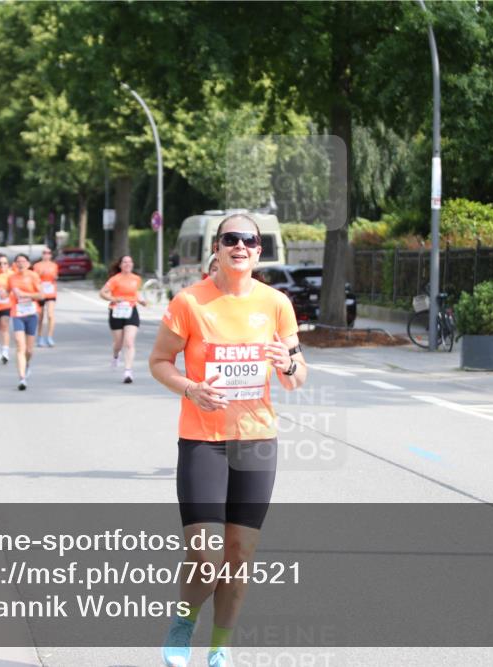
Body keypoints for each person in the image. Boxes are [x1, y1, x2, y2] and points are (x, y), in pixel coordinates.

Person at [149, 214, 308, 667]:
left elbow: (297, 377)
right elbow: (159, 361)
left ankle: (219, 646)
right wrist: (190, 388)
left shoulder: (276, 304)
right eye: (230, 239)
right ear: (216, 248)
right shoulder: (190, 303)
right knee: (205, 554)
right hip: (202, 440)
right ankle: (183, 622)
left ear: (259, 251)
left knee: (239, 554)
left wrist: (288, 364)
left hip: (256, 441)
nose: (240, 245)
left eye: (249, 240)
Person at [100, 255, 148, 384]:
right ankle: (116, 355)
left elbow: (135, 293)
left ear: (132, 264)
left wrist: (141, 301)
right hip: (116, 311)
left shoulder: (136, 279)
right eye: (124, 262)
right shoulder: (115, 279)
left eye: (129, 262)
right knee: (118, 344)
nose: (127, 264)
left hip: (131, 310)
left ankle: (128, 371)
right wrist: (114, 299)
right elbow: (102, 293)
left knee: (129, 342)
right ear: (120, 265)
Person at [7, 253, 43, 390]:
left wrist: (25, 295)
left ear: (28, 264)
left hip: (32, 314)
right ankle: (22, 378)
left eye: (23, 261)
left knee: (29, 350)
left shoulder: (33, 276)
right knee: (19, 345)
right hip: (17, 313)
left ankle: (27, 365)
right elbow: (6, 292)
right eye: (18, 262)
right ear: (15, 264)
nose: (21, 264)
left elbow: (41, 295)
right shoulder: (11, 278)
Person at [33, 248, 60, 347]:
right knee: (40, 317)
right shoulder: (37, 265)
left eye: (48, 253)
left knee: (50, 314)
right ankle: (40, 337)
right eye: (44, 253)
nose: (46, 255)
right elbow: (34, 278)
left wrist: (55, 277)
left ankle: (49, 337)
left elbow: (56, 276)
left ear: (51, 255)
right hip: (40, 293)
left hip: (51, 292)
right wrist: (40, 274)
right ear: (42, 254)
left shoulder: (54, 265)